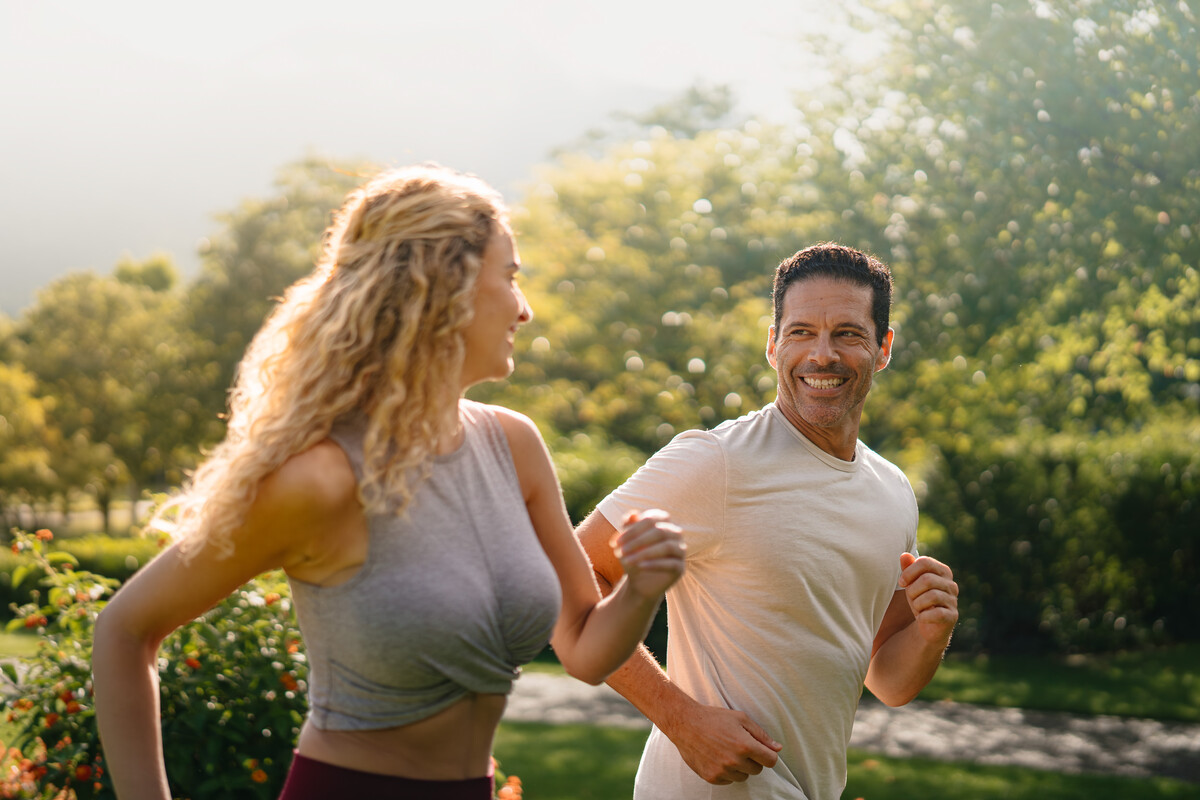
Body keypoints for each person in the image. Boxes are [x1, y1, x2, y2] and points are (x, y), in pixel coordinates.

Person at [92, 164, 686, 800]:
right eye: (510, 278)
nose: (524, 308)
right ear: (443, 289)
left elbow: (584, 649)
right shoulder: (323, 480)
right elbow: (124, 631)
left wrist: (641, 590)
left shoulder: (512, 445)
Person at [577, 242, 960, 800]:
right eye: (801, 331)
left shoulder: (893, 491)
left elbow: (887, 676)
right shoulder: (717, 462)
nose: (822, 355)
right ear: (773, 344)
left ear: (883, 348)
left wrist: (932, 634)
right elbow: (570, 573)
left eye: (848, 333)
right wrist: (679, 719)